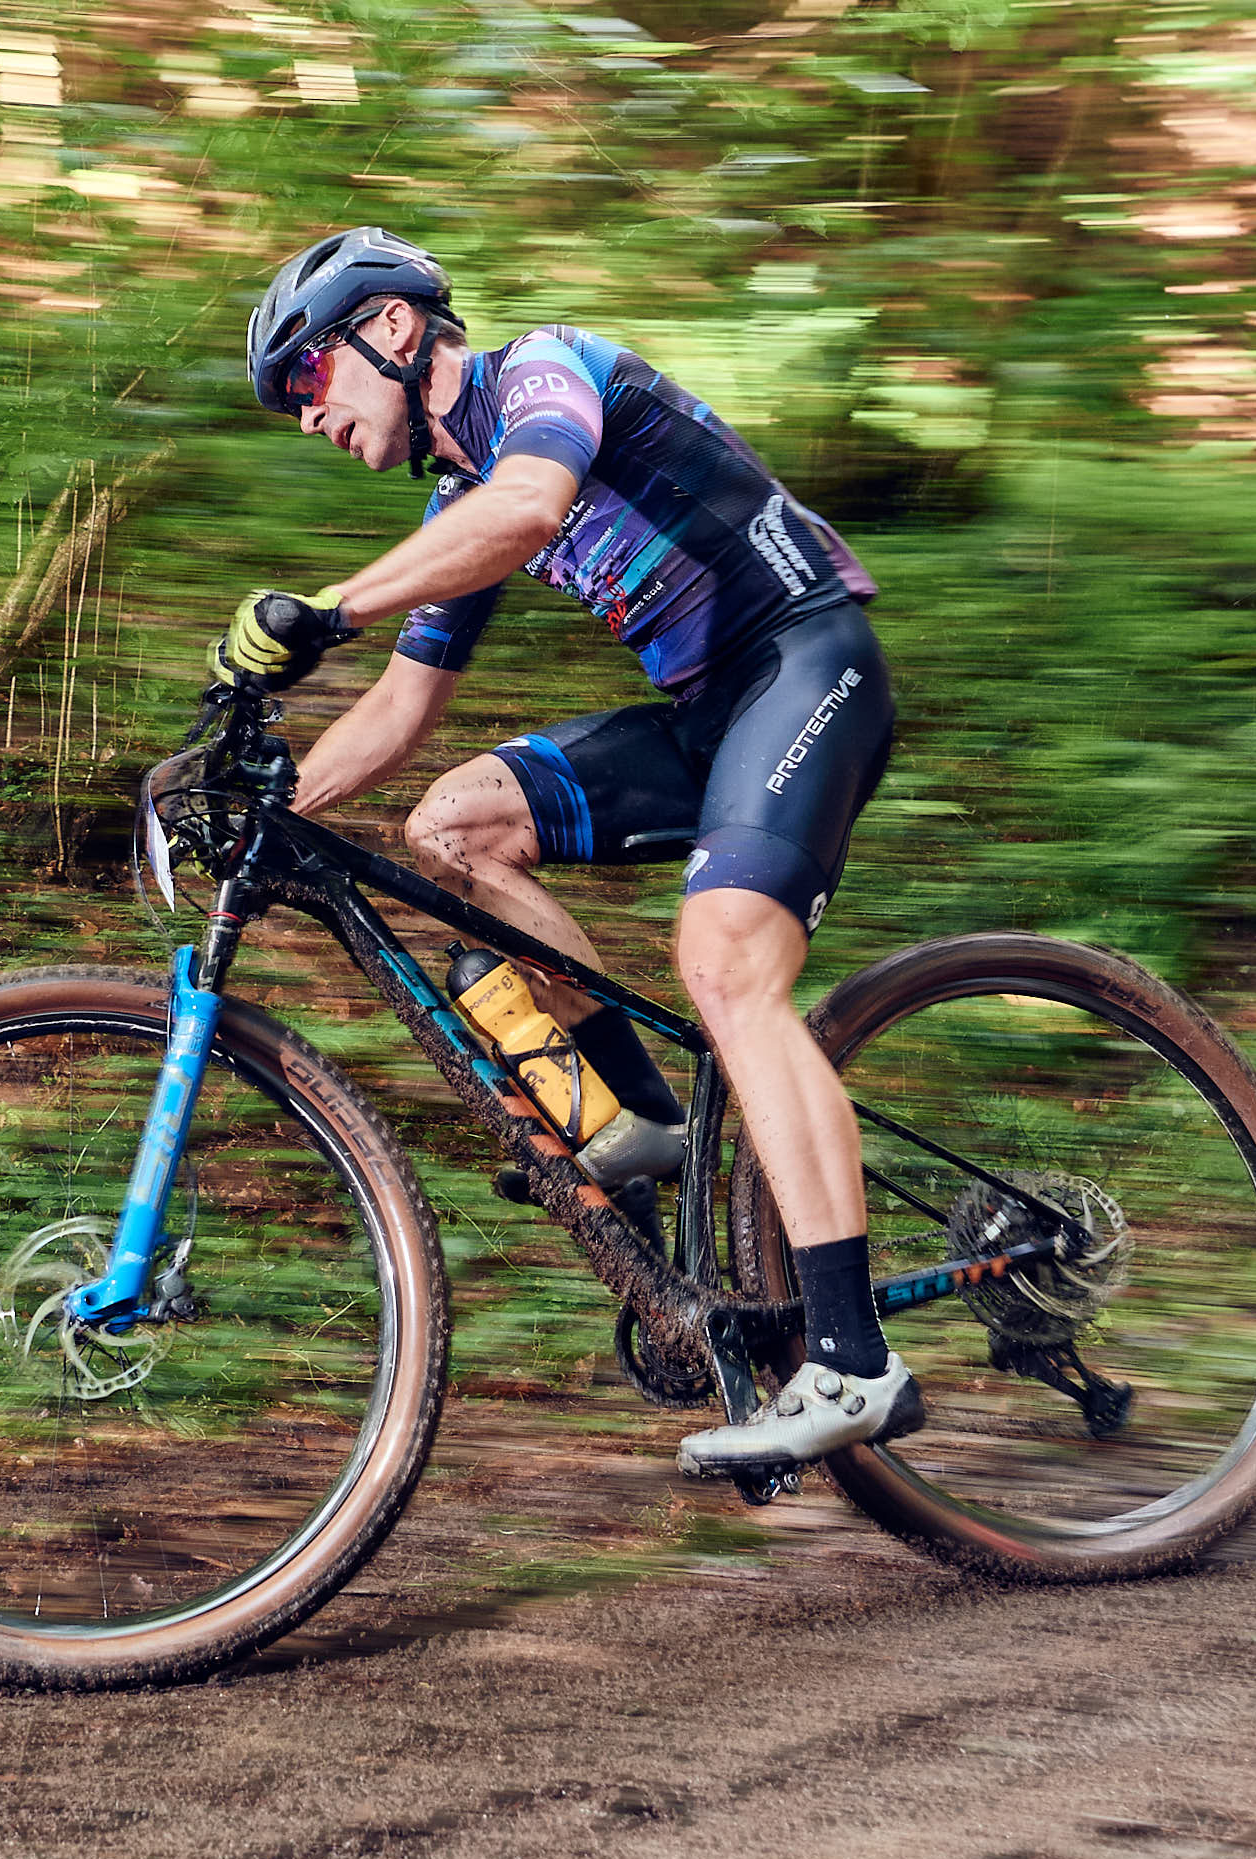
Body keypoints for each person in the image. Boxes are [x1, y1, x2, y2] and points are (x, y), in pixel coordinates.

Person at [214, 226, 921, 1480]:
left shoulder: (545, 370)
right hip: (708, 715)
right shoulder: (458, 502)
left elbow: (531, 505)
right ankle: (643, 1113)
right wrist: (265, 801)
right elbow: (402, 706)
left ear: (391, 327)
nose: (306, 415)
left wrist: (328, 607)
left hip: (807, 662)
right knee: (452, 826)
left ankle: (853, 1361)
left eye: (308, 377)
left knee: (725, 964)